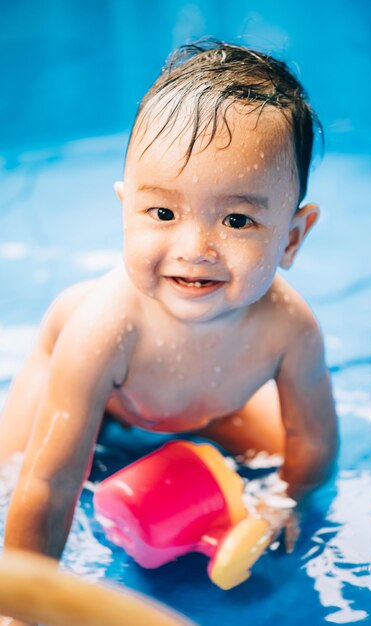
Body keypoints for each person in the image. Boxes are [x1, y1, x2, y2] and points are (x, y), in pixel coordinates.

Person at [0, 38, 338, 618]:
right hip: (90, 386)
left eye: (237, 219)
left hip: (208, 403)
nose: (195, 249)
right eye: (162, 213)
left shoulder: (289, 327)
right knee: (16, 470)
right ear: (124, 210)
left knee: (280, 458)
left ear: (290, 237)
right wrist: (21, 608)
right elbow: (50, 489)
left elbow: (314, 443)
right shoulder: (103, 328)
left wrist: (282, 500)